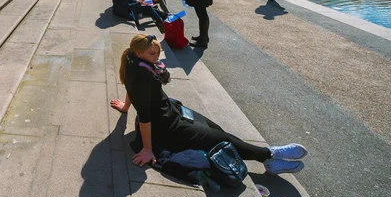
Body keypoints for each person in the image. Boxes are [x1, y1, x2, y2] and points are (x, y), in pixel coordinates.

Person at [110, 34, 308, 174]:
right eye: (152, 54)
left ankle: (267, 156)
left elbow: (131, 90)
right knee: (219, 138)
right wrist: (147, 148)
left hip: (170, 112)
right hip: (166, 127)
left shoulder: (133, 61)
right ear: (139, 54)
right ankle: (269, 156)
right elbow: (144, 116)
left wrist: (126, 107)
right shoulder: (143, 75)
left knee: (215, 129)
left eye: (157, 52)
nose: (158, 58)